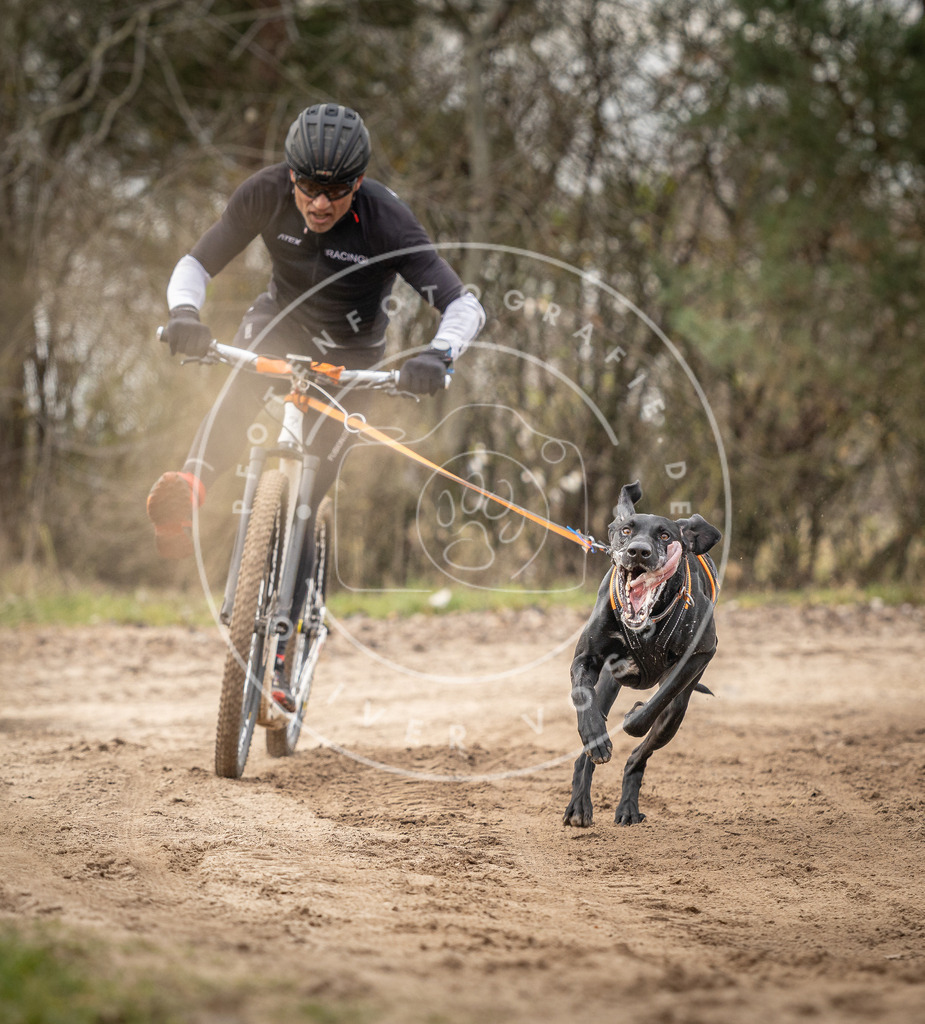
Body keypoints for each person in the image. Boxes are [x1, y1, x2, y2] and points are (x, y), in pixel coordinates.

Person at [147, 102, 485, 709]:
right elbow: (197, 263)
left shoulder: (386, 220)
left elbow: (464, 305)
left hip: (352, 356)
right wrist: (183, 315)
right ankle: (189, 490)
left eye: (334, 191)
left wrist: (439, 355)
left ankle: (285, 641)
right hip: (276, 325)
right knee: (240, 384)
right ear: (291, 174)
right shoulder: (265, 193)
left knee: (309, 496)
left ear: (357, 183)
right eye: (308, 187)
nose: (319, 204)